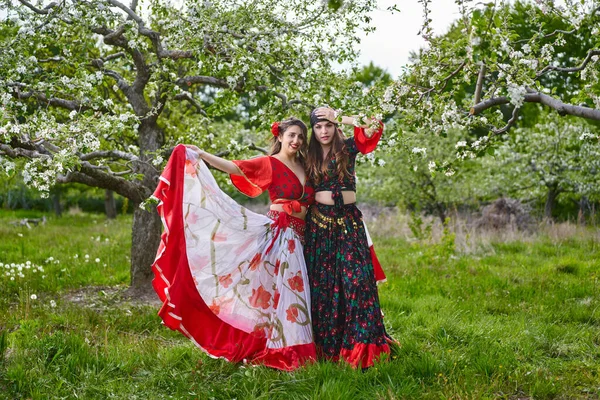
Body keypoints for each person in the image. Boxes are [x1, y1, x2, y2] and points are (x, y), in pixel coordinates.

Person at [152, 118, 317, 371]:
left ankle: (290, 343)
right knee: (284, 292)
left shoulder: (306, 165)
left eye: (301, 137)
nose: (296, 141)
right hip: (282, 236)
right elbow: (235, 167)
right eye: (292, 135)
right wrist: (203, 154)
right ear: (281, 136)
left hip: (304, 235)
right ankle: (289, 351)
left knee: (285, 294)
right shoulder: (270, 163)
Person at [304, 106, 390, 369]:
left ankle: (363, 350)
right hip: (318, 226)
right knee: (325, 288)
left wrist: (340, 116)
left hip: (349, 224)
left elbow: (373, 124)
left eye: (328, 125)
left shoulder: (348, 148)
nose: (324, 131)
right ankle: (330, 350)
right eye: (318, 126)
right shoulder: (307, 155)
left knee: (358, 283)